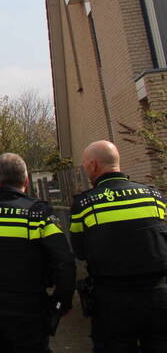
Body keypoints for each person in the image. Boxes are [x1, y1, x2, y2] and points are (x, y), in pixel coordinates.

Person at [0, 152, 74, 353]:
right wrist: (60, 304)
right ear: (26, 180)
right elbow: (64, 262)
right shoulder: (38, 214)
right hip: (28, 313)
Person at [70, 140, 167, 351]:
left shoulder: (85, 205)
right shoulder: (154, 196)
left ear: (93, 165)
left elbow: (79, 251)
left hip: (112, 301)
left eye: (85, 164)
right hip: (159, 296)